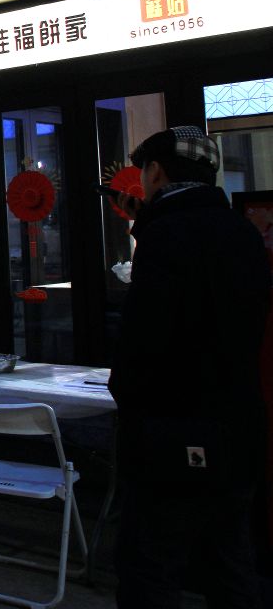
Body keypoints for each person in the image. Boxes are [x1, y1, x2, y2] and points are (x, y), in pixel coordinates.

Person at [110, 126, 270, 608]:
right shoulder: (242, 231)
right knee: (231, 560)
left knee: (151, 567)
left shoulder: (165, 237)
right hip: (239, 424)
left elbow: (145, 339)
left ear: (155, 171)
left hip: (172, 428)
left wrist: (131, 403)